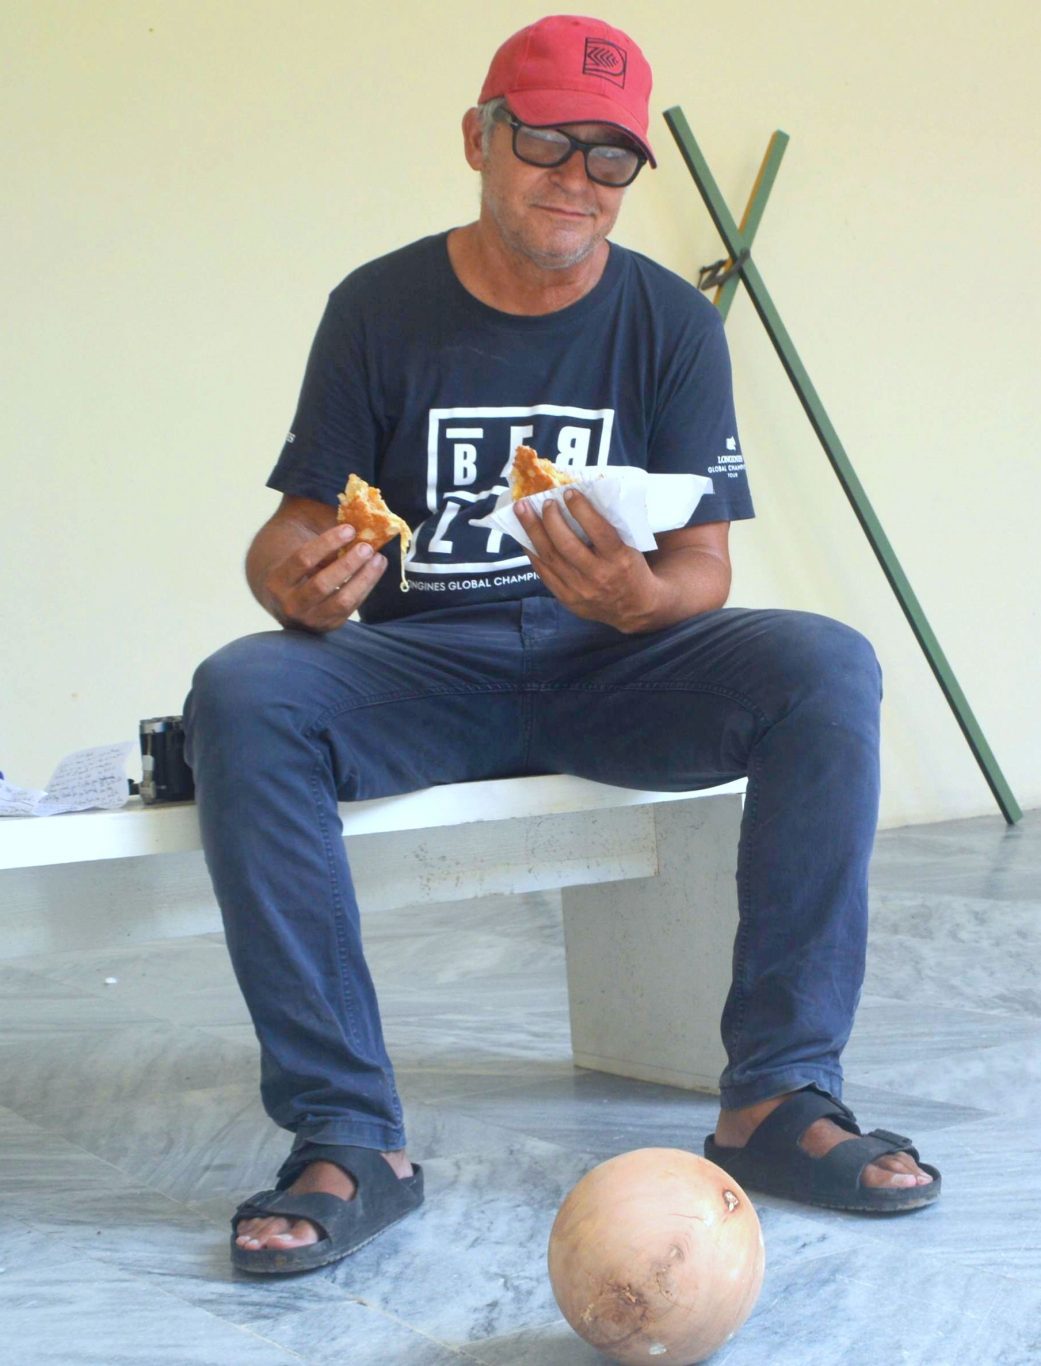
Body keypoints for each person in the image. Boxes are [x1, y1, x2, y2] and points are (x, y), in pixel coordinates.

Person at [184, 13, 940, 1275]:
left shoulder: (671, 326)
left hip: (615, 669)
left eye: (610, 158)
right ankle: (348, 1135)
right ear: (479, 136)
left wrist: (643, 604)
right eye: (545, 141)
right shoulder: (378, 308)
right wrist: (301, 591)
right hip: (427, 665)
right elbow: (290, 538)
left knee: (826, 663)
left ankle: (775, 1097)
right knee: (245, 692)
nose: (576, 180)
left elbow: (703, 566)